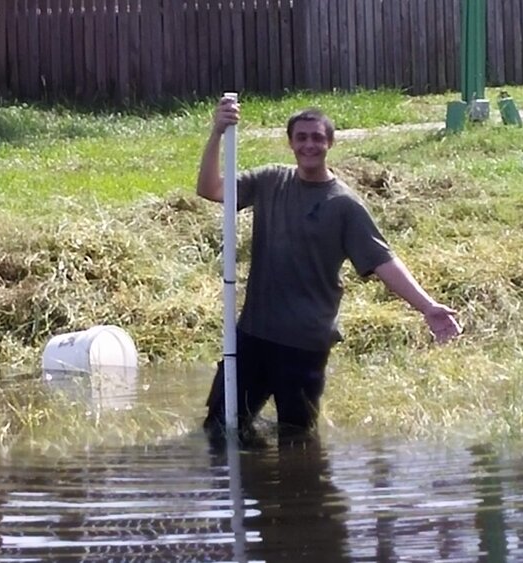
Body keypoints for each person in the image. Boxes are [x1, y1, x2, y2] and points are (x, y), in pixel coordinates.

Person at [198, 96, 462, 436]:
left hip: (304, 344)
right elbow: (210, 189)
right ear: (291, 143)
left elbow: (383, 260)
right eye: (302, 137)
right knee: (219, 429)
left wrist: (427, 307)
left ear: (330, 143)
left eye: (318, 138)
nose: (310, 145)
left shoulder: (344, 205)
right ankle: (253, 482)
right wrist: (218, 132)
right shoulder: (270, 181)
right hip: (253, 334)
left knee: (296, 439)